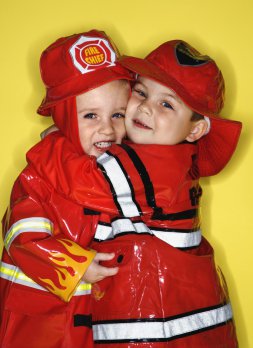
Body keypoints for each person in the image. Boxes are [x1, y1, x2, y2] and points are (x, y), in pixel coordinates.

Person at [25, 39, 242, 347]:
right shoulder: (171, 162)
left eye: (167, 104)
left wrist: (57, 141)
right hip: (185, 320)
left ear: (195, 131)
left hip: (158, 326)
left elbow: (84, 182)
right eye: (141, 92)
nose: (145, 107)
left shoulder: (155, 166)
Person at [0, 29, 134, 348]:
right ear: (63, 118)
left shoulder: (126, 169)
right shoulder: (39, 174)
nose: (108, 128)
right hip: (39, 322)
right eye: (90, 115)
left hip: (98, 316)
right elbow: (22, 236)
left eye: (118, 114)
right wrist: (76, 265)